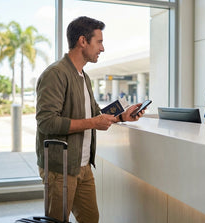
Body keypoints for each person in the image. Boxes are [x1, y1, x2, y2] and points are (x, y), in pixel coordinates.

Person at [35, 16, 144, 223]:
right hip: (60, 168)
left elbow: (95, 114)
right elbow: (47, 122)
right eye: (99, 42)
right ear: (83, 41)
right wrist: (93, 123)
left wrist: (122, 116)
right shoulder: (55, 74)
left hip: (83, 166)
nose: (102, 48)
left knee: (91, 219)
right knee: (57, 220)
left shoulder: (83, 76)